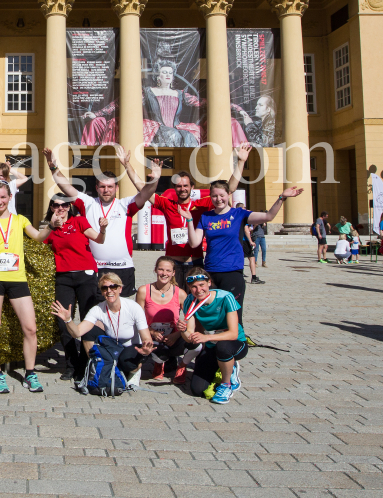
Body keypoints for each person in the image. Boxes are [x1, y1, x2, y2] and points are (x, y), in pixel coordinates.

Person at [0, 181, 57, 394]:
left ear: (10, 197)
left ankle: (30, 373)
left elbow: (38, 237)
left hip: (17, 278)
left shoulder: (20, 220)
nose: (0, 201)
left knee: (30, 328)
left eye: (3, 197)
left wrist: (51, 226)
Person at [180, 180, 303, 327]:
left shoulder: (239, 214)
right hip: (211, 272)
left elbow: (269, 216)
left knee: (233, 314)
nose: (218, 199)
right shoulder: (206, 217)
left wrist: (282, 197)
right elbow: (194, 243)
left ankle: (237, 342)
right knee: (212, 312)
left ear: (228, 194)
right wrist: (189, 221)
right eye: (214, 196)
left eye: (221, 195)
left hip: (232, 272)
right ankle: (211, 344)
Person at [43, 145, 161, 297]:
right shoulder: (88, 202)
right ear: (97, 188)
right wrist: (53, 167)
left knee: (121, 311)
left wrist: (133, 168)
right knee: (98, 312)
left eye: (110, 187)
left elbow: (146, 192)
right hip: (96, 269)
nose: (106, 190)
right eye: (103, 187)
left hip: (123, 267)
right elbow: (66, 187)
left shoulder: (125, 204)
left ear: (116, 188)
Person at [121, 144, 246, 287]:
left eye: (185, 186)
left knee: (195, 306)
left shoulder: (202, 204)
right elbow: (143, 189)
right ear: (174, 188)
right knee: (173, 305)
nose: (182, 189)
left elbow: (229, 189)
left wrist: (241, 162)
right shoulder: (168, 204)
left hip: (195, 263)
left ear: (192, 187)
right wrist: (126, 164)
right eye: (179, 186)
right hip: (173, 264)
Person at [41, 195, 108, 381]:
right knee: (63, 320)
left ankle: (86, 363)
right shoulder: (50, 229)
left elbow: (100, 239)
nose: (61, 208)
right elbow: (38, 247)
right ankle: (72, 364)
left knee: (89, 318)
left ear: (69, 206)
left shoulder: (78, 221)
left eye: (64, 205)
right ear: (52, 207)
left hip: (85, 275)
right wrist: (50, 227)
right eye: (56, 205)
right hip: (63, 277)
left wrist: (103, 229)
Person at [52, 272, 155, 387]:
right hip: (112, 344)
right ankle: (96, 366)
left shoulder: (133, 307)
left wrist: (146, 350)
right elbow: (77, 333)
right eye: (105, 288)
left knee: (127, 363)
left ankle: (135, 370)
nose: (109, 291)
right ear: (101, 291)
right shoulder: (98, 309)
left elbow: (146, 337)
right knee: (88, 332)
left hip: (132, 345)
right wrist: (68, 320)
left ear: (120, 289)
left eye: (113, 287)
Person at [176, 268, 246, 404]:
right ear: (189, 287)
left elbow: (233, 334)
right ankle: (223, 366)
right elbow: (190, 336)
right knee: (197, 390)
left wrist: (206, 337)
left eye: (202, 285)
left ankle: (227, 383)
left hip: (235, 343)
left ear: (209, 283)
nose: (198, 290)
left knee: (223, 347)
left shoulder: (225, 297)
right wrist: (183, 330)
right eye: (194, 287)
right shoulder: (190, 300)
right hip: (211, 345)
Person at [136, 256, 189, 384]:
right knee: (157, 352)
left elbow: (189, 319)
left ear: (173, 273)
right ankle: (158, 363)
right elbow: (136, 318)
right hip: (151, 338)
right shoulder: (144, 290)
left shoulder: (180, 293)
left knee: (193, 340)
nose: (164, 273)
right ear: (155, 270)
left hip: (173, 338)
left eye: (168, 271)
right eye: (161, 269)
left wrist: (177, 335)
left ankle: (182, 365)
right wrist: (152, 332)